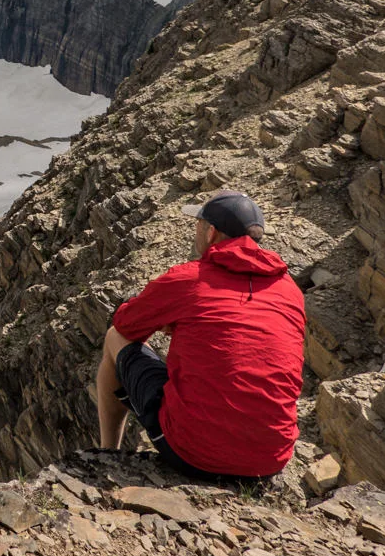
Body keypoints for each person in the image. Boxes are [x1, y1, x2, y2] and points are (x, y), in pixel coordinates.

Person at [95, 190, 305, 480]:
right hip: (269, 461)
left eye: (198, 223)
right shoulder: (290, 291)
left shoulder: (188, 278)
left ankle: (108, 453)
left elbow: (126, 324)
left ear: (210, 232)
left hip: (194, 454)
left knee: (114, 338)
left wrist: (171, 320)